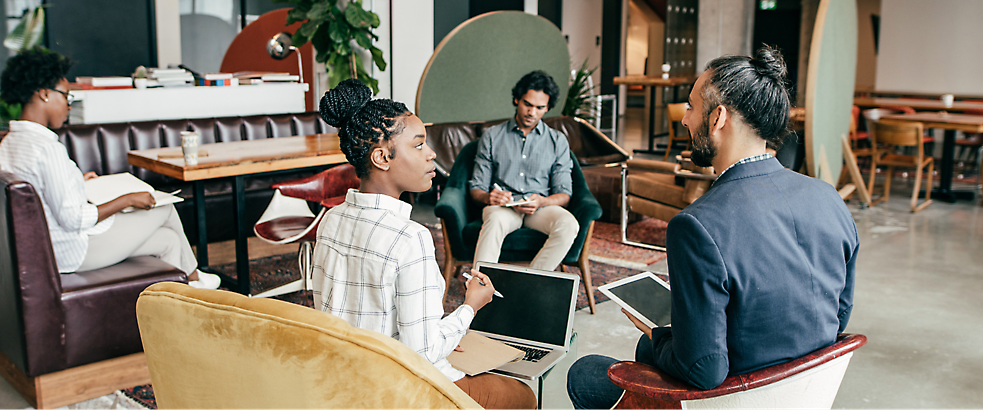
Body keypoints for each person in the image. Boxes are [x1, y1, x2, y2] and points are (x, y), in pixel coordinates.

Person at [567, 47, 859, 409]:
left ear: (718, 117)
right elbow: (838, 316)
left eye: (691, 107)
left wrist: (660, 338)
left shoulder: (697, 225)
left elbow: (705, 370)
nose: (685, 120)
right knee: (650, 346)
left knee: (585, 372)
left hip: (736, 397)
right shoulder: (828, 197)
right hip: (802, 390)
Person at [310, 79, 536, 410]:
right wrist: (469, 307)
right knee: (524, 395)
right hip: (403, 389)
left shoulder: (330, 220)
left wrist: (445, 332)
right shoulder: (410, 237)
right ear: (382, 157)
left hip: (346, 380)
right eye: (418, 145)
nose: (431, 155)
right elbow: (425, 352)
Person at [0, 48, 218, 289]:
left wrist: (79, 181)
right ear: (45, 94)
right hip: (71, 251)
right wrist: (126, 200)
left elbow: (41, 191)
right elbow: (73, 218)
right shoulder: (47, 148)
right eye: (67, 97)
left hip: (49, 246)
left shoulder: (11, 142)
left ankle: (180, 304)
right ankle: (194, 277)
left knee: (168, 240)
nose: (69, 106)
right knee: (165, 208)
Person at [469, 70, 579, 271]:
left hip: (540, 208)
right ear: (516, 99)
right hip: (504, 208)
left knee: (569, 224)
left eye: (540, 107)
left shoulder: (557, 141)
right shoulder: (492, 136)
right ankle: (479, 287)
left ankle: (530, 282)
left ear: (547, 108)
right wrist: (490, 197)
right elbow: (476, 188)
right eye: (527, 104)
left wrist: (542, 201)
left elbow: (564, 193)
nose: (532, 112)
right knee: (494, 220)